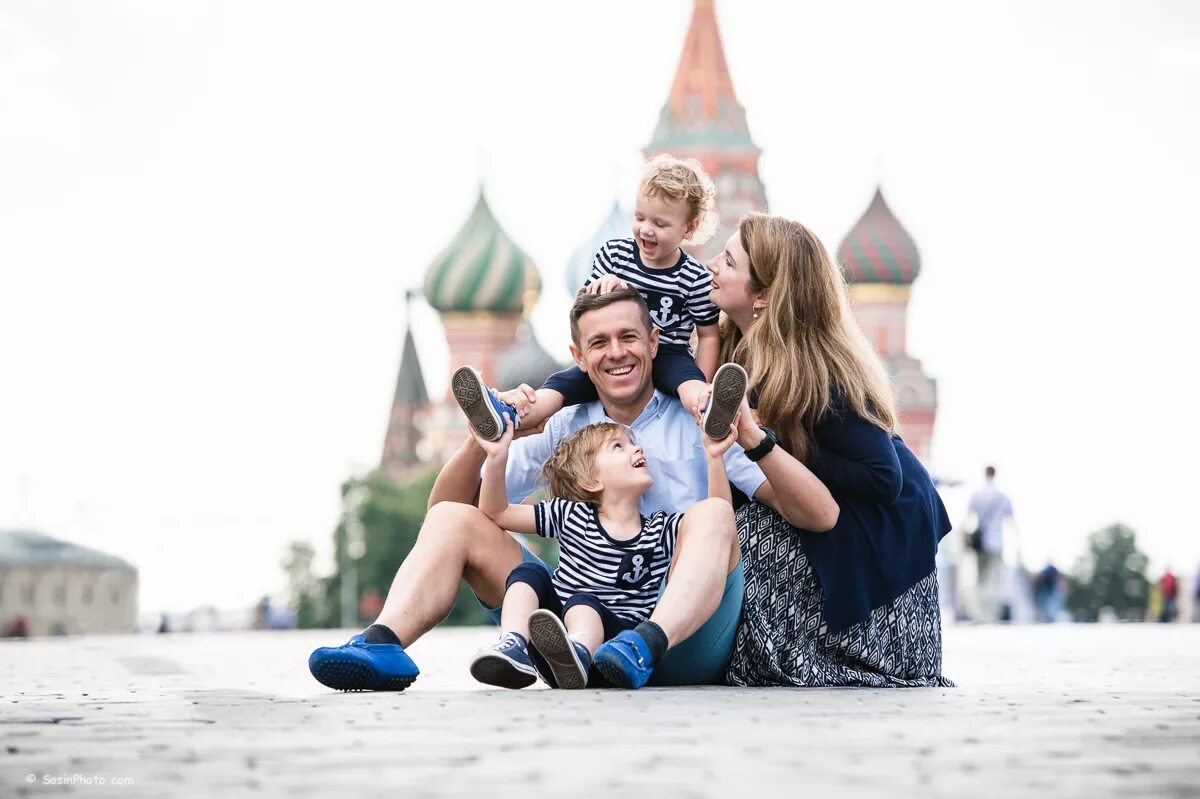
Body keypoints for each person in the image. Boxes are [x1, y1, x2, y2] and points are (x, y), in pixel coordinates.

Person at [307, 287, 836, 691]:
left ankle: (642, 644)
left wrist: (752, 439)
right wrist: (485, 442)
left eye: (629, 337)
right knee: (453, 520)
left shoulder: (697, 415)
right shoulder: (569, 426)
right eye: (599, 343)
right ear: (579, 358)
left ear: (654, 343)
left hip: (679, 631)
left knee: (715, 516)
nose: (616, 353)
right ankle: (383, 645)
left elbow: (821, 515)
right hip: (585, 620)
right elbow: (447, 507)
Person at [702, 212, 954, 687]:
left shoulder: (817, 373)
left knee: (751, 532)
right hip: (835, 525)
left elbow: (883, 477)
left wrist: (773, 444)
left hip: (882, 556)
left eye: (729, 261)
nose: (713, 264)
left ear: (764, 295)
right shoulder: (742, 351)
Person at [453, 155, 745, 446]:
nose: (646, 229)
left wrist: (701, 382)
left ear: (689, 228)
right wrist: (603, 287)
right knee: (561, 387)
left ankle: (709, 409)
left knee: (686, 383)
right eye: (639, 217)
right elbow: (588, 312)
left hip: (668, 352)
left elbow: (707, 336)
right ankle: (507, 415)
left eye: (660, 223)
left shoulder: (693, 276)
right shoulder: (614, 255)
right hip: (616, 351)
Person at [466, 412, 739, 689]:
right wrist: (497, 456)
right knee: (529, 573)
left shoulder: (659, 529)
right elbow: (497, 512)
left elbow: (716, 529)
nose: (637, 448)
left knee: (585, 605)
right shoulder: (572, 515)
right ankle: (514, 643)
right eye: (618, 446)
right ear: (592, 481)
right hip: (558, 643)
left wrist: (714, 456)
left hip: (619, 649)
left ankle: (580, 654)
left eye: (632, 444)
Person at [967, 466, 1015, 622]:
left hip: (980, 543)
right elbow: (1010, 520)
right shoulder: (1002, 496)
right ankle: (992, 614)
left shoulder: (976, 495)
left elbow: (969, 518)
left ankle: (981, 615)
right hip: (996, 543)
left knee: (980, 579)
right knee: (993, 579)